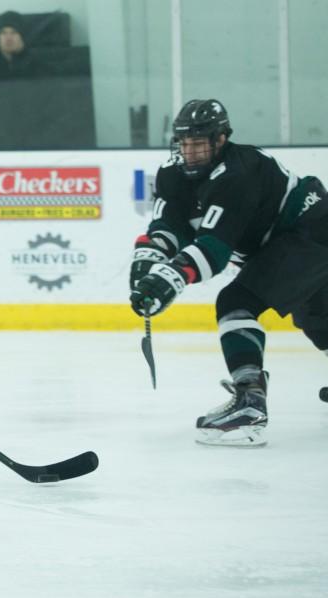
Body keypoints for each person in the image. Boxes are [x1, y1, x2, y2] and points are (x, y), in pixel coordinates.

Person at [129, 98, 328, 447]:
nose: (189, 151)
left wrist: (170, 279)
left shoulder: (239, 171)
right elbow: (168, 225)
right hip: (289, 241)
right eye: (184, 143)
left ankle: (250, 403)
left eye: (199, 143)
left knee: (237, 302)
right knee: (318, 317)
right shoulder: (172, 174)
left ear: (221, 139)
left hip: (310, 229)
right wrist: (148, 259)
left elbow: (214, 249)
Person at [0, 10, 42, 79]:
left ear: (22, 37)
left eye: (14, 32)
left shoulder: (39, 69)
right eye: (3, 33)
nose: (8, 38)